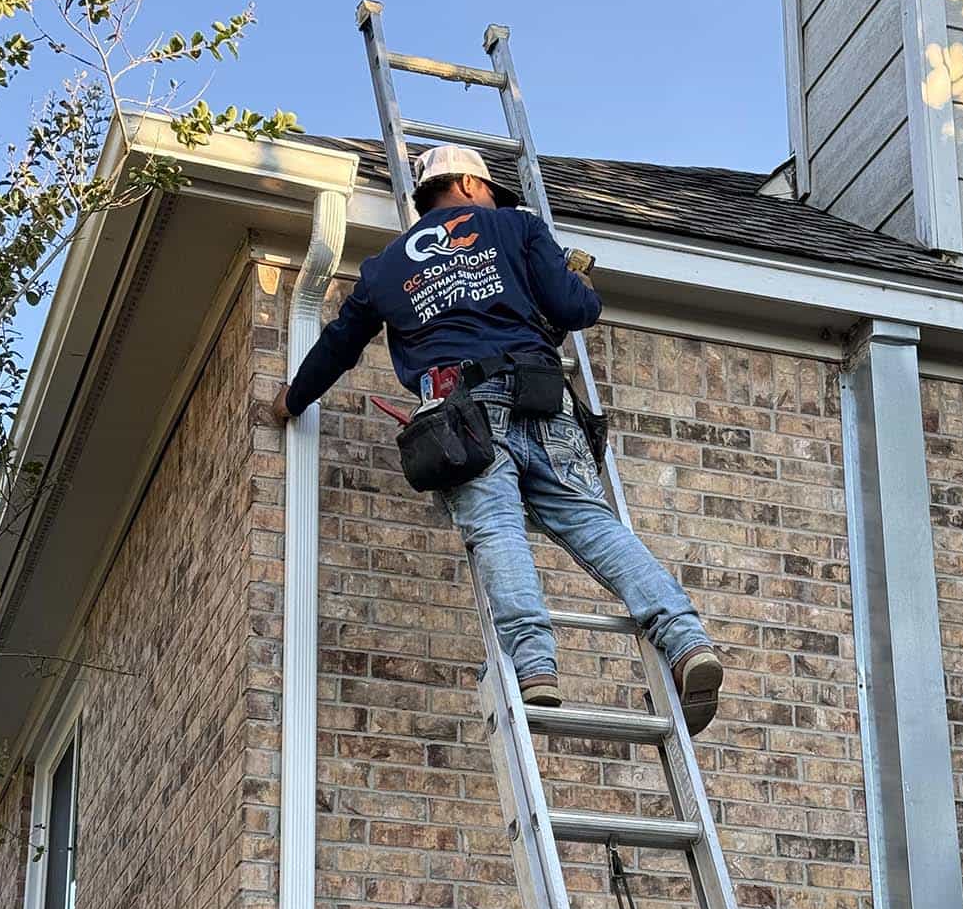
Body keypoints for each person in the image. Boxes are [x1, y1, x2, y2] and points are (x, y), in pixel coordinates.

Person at [275, 143, 723, 732]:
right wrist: (574, 282)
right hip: (544, 397)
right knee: (595, 524)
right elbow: (575, 308)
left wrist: (292, 399)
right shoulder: (519, 227)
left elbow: (338, 344)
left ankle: (536, 667)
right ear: (467, 184)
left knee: (496, 529)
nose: (493, 201)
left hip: (463, 412)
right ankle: (687, 642)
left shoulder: (384, 267)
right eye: (489, 190)